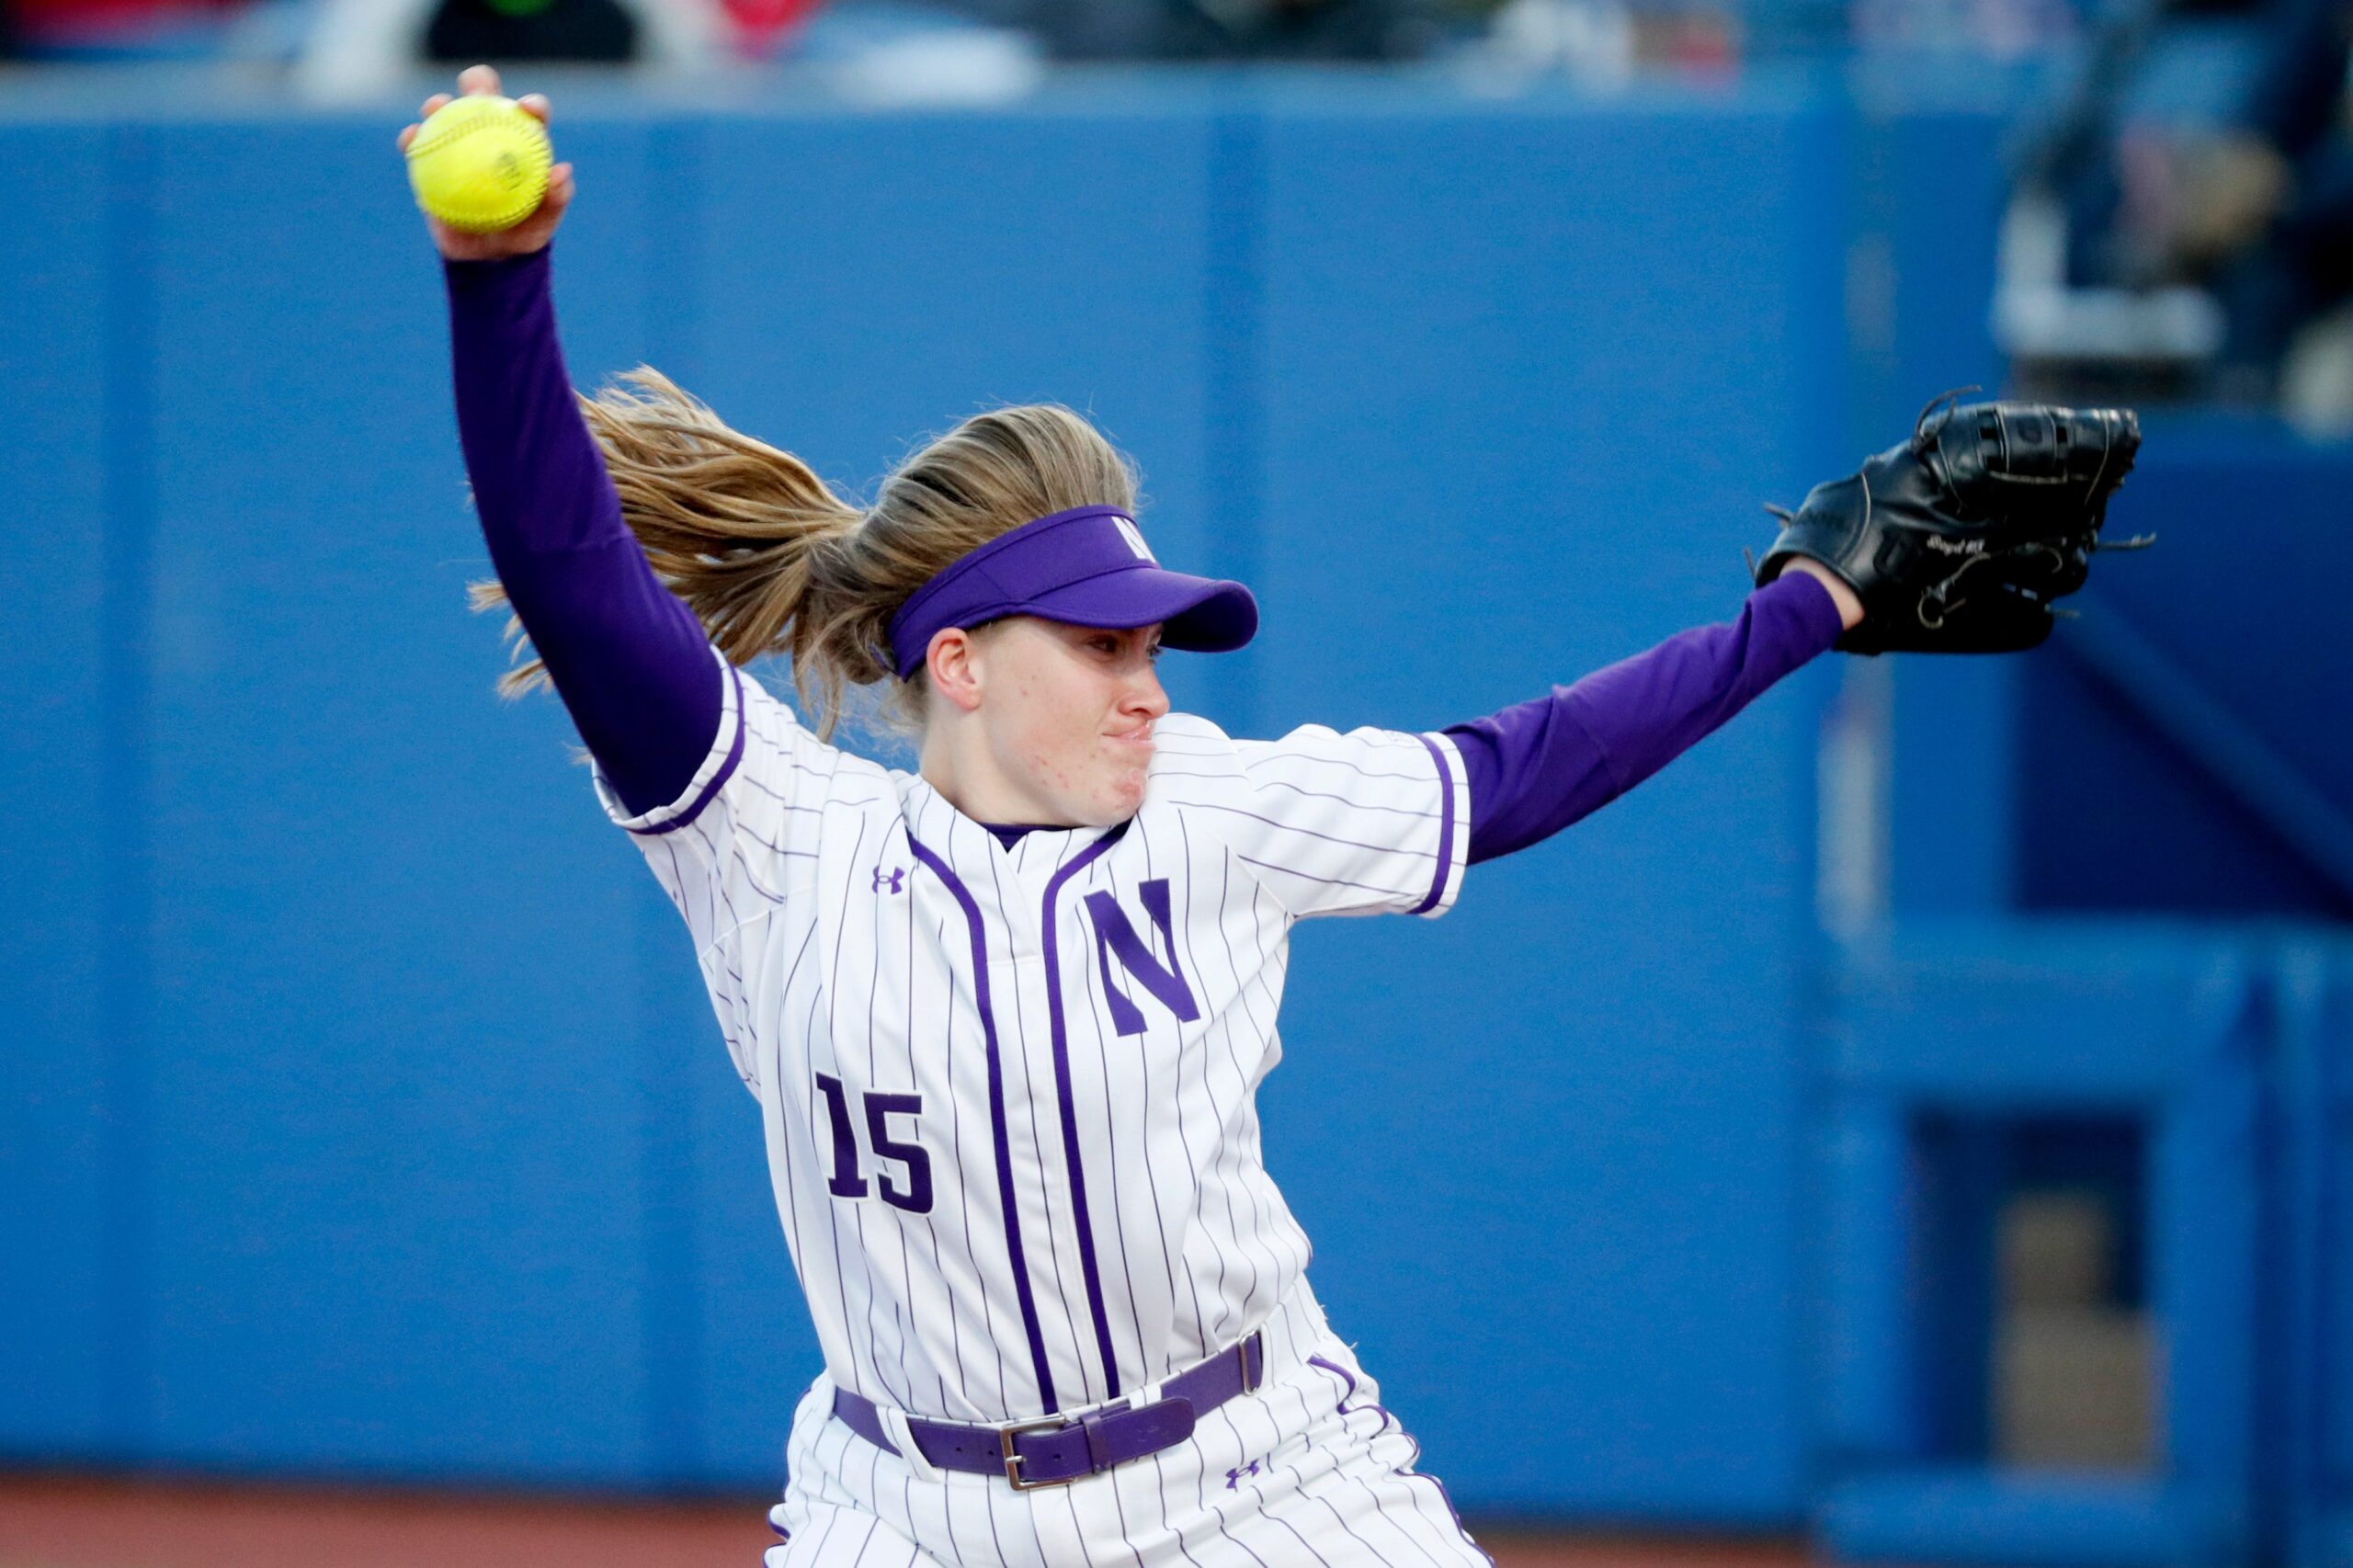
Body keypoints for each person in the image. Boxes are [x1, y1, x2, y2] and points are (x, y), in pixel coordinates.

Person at [406, 63, 1865, 1567]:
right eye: (1100, 645)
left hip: (1260, 1474)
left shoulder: (1213, 808)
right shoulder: (774, 844)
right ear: (958, 662)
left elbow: (1519, 769)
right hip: (907, 1512)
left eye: (1152, 645)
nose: (1148, 687)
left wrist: (1809, 610)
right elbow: (575, 578)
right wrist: (499, 287)